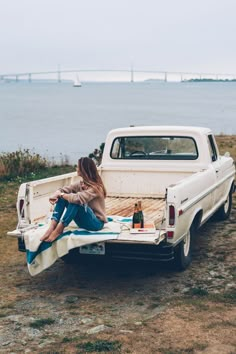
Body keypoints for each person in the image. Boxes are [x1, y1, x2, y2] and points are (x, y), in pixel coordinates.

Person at [40, 157, 107, 243]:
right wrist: (56, 195)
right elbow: (64, 189)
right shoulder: (81, 184)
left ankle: (59, 229)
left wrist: (61, 194)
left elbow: (77, 199)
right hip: (83, 222)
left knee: (75, 201)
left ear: (83, 169)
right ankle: (52, 227)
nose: (76, 168)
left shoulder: (96, 188)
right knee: (64, 197)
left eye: (78, 166)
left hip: (96, 224)